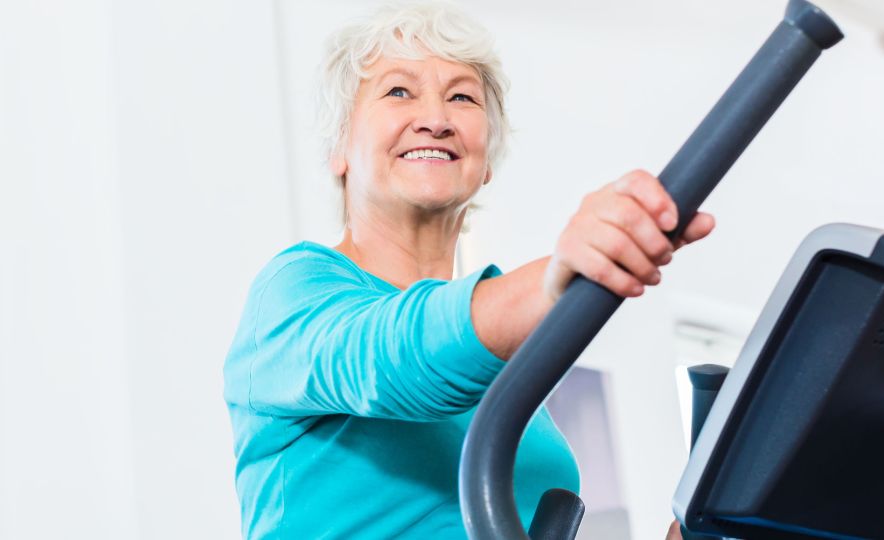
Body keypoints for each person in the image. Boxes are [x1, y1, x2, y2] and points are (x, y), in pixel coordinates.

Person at [222, 3, 715, 538]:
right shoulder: (294, 293)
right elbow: (396, 362)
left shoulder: (507, 366)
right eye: (398, 91)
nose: (436, 119)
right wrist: (555, 279)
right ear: (339, 147)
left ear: (485, 164)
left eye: (461, 96)